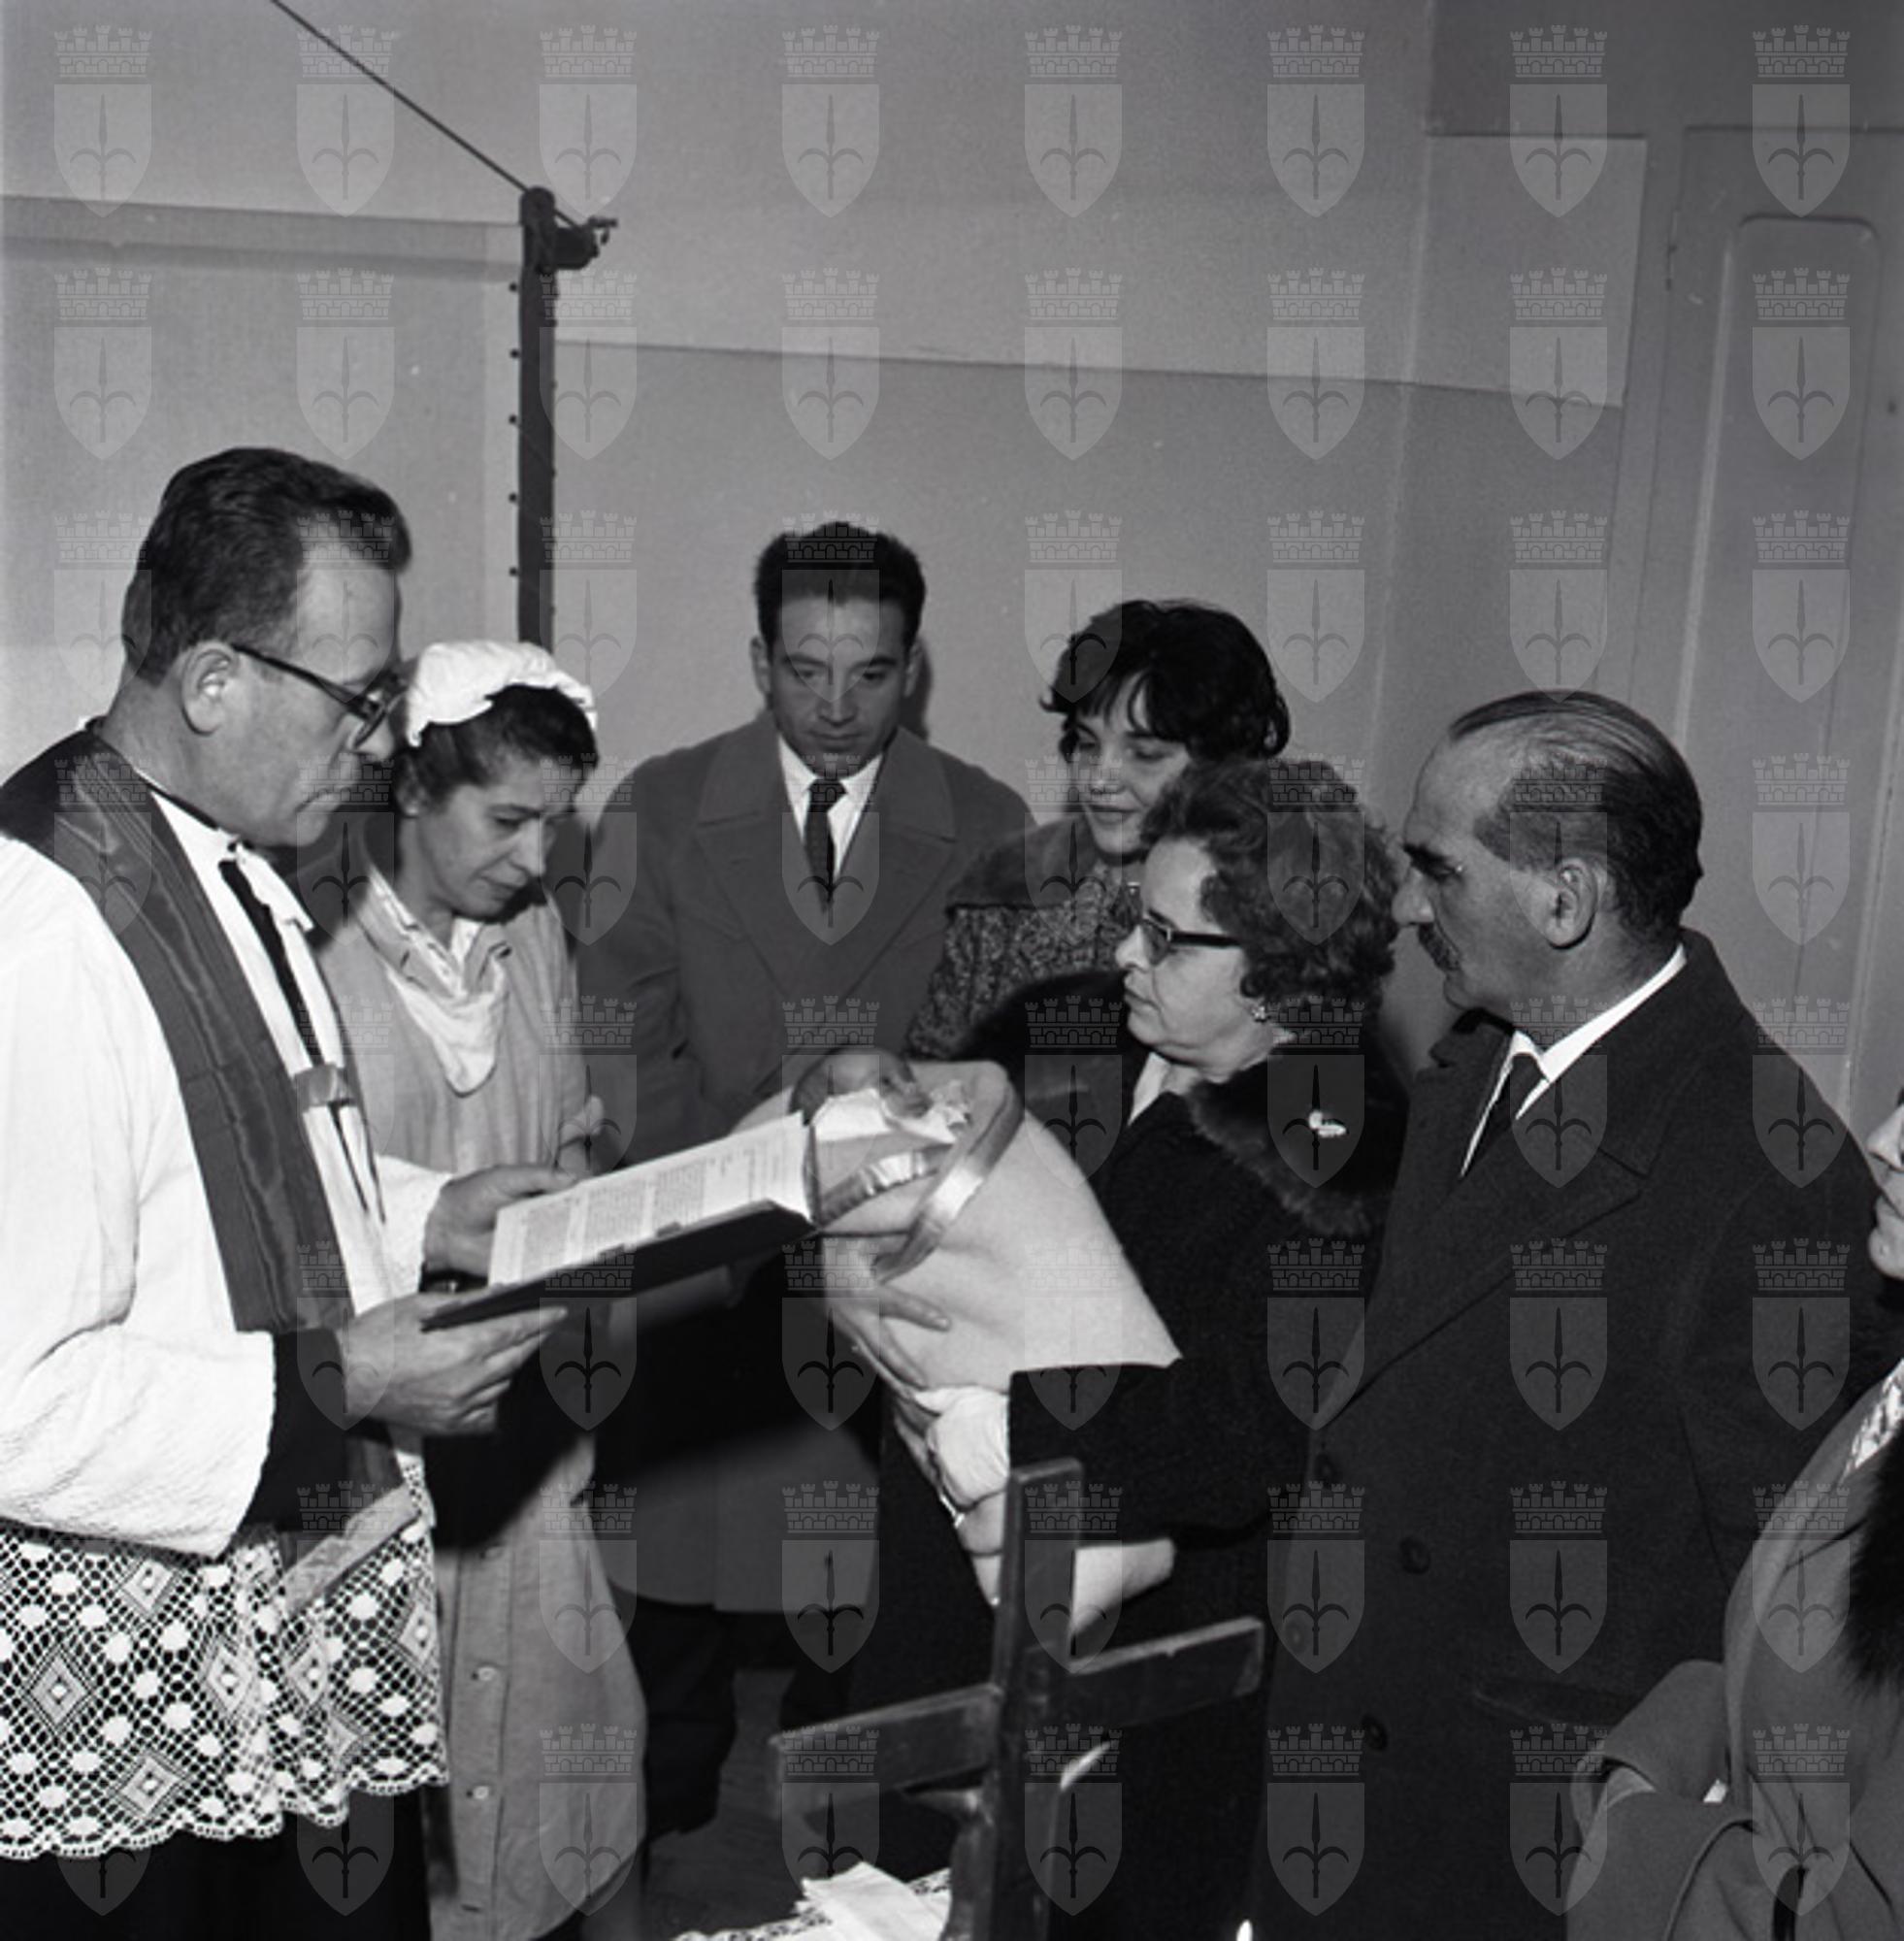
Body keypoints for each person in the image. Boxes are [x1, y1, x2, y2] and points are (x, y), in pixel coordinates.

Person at [0, 449, 568, 1938]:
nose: (378, 747)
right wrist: (343, 1382)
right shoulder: (44, 932)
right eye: (358, 699)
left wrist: (431, 1213)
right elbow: (15, 1400)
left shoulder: (215, 855)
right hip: (133, 1665)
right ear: (212, 682)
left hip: (267, 1599)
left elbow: (228, 1159)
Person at [1255, 692, 1903, 1938]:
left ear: (1565, 900)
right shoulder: (1475, 1061)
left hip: (1512, 1847)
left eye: (1440, 868)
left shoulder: (1767, 1176)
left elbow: (1785, 1624)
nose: (1408, 906)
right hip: (1354, 1767)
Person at [846, 756, 1407, 1940]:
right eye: (1130, 920)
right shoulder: (1089, 1028)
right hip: (955, 1592)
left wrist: (1001, 1421)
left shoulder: (1341, 1151)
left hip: (1143, 1658)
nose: (1122, 955)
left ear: (1280, 969)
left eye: (1163, 937)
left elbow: (1247, 1425)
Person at [563, 523, 1027, 1840]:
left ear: (912, 667)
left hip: (892, 1253)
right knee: (674, 1555)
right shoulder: (659, 804)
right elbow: (620, 1029)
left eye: (870, 674)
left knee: (872, 1563)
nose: (835, 707)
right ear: (759, 657)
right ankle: (658, 1813)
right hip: (705, 1232)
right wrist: (732, 1175)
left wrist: (877, 1184)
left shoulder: (989, 821)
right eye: (805, 670)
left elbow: (991, 1051)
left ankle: (847, 1825)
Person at [315, 642, 644, 1941]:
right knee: (389, 1791)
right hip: (374, 1437)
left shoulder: (534, 932)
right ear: (411, 789)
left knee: (565, 1756)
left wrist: (599, 1199)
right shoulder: (312, 944)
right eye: (506, 820)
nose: (534, 857)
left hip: (521, 1420)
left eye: (554, 824)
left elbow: (565, 1128)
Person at [1566, 1103, 1904, 1940]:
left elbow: (1857, 1916)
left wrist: (1640, 1835)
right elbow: (1801, 1658)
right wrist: (1656, 1753)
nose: (1884, 1142)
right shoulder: (1889, 1393)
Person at [905, 599, 1290, 1060]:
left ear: (1225, 764)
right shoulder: (1009, 887)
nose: (1098, 779)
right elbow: (930, 1075)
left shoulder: (1290, 907)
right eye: (1088, 744)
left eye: (1145, 754)